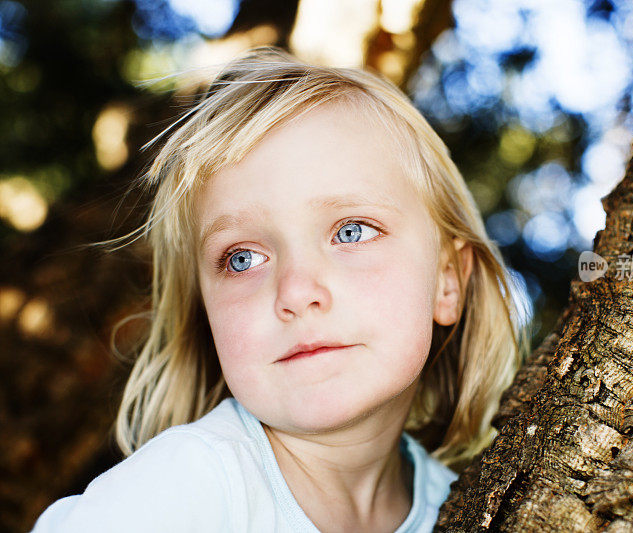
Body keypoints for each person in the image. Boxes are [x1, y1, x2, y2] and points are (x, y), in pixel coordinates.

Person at [31, 46, 528, 533]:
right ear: (206, 314)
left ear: (447, 280)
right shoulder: (189, 485)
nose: (295, 291)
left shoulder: (467, 508)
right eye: (242, 259)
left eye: (351, 231)